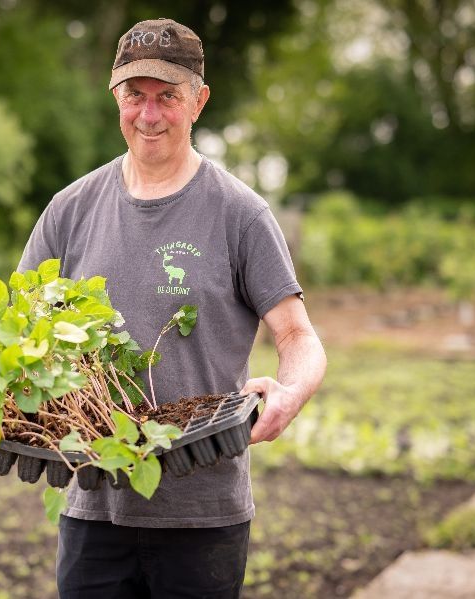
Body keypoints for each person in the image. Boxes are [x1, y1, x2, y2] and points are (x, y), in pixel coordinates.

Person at [17, 18, 327, 599]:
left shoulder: (241, 213)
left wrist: (290, 394)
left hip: (202, 514)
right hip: (91, 506)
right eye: (135, 95)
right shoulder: (70, 209)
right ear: (116, 98)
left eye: (168, 96)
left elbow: (297, 336)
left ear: (199, 101)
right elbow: (18, 330)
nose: (149, 114)